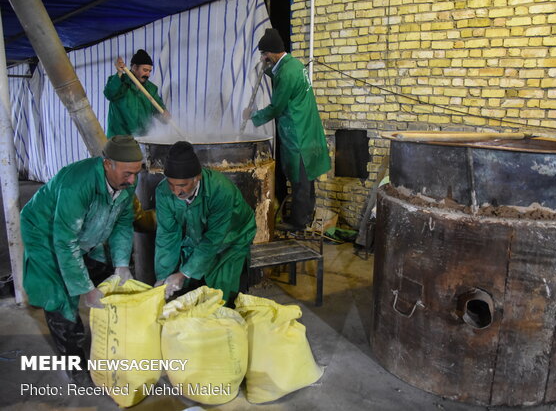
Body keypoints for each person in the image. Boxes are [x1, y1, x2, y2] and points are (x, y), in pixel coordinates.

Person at [20, 136, 143, 385]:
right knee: (60, 293)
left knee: (106, 271)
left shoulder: (126, 180)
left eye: (136, 173)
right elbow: (65, 241)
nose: (132, 181)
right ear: (108, 164)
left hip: (85, 229)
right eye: (128, 173)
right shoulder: (77, 184)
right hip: (44, 231)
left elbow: (121, 221)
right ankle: (74, 365)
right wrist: (85, 289)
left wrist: (121, 264)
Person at [245, 28, 330, 231]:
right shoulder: (294, 64)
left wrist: (252, 117)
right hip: (308, 128)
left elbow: (277, 107)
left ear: (271, 53)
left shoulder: (286, 73)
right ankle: (307, 216)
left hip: (297, 132)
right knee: (307, 177)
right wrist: (265, 69)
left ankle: (298, 223)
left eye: (264, 54)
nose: (263, 58)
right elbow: (278, 76)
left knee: (299, 180)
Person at [154, 141, 256, 303]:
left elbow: (214, 238)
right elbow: (167, 235)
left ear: (197, 178)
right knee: (188, 277)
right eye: (171, 184)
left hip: (232, 235)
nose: (176, 191)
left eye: (182, 185)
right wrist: (162, 277)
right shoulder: (163, 192)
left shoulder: (221, 190)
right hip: (197, 234)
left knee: (221, 292)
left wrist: (184, 273)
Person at [104, 49, 170, 138]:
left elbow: (158, 110)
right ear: (134, 67)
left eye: (149, 71)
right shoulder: (119, 81)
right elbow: (109, 93)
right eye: (145, 70)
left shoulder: (151, 88)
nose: (148, 74)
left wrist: (165, 115)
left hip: (143, 140)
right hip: (120, 141)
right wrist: (119, 72)